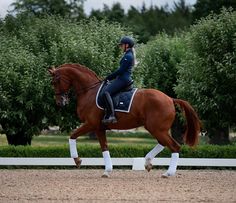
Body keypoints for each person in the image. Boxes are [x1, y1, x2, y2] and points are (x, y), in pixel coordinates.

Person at [102, 36, 136, 124]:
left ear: (127, 45)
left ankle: (111, 115)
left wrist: (108, 77)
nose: (121, 47)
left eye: (122, 45)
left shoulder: (128, 56)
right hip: (122, 78)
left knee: (106, 92)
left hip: (123, 79)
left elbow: (121, 70)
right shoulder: (128, 54)